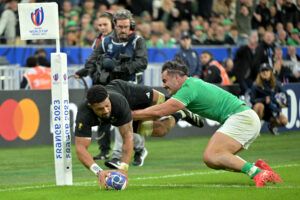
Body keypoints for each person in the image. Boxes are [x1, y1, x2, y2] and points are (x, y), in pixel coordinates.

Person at [132, 60, 282, 187]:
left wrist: (130, 115)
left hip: (241, 118)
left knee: (211, 155)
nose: (163, 85)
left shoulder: (188, 87)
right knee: (214, 160)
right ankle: (258, 169)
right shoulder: (192, 86)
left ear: (177, 77)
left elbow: (161, 111)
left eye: (164, 81)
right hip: (245, 118)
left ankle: (258, 173)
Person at [75, 79, 203, 180]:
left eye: (107, 106)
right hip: (121, 115)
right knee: (160, 130)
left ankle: (183, 108)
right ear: (91, 106)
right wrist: (99, 172)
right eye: (100, 109)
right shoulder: (84, 114)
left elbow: (127, 137)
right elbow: (81, 148)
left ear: (108, 98)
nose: (106, 110)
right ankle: (180, 114)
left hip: (129, 93)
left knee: (163, 103)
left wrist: (123, 169)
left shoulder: (117, 102)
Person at [76, 12, 115, 161]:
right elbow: (93, 61)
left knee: (127, 117)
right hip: (99, 83)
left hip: (115, 83)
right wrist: (83, 72)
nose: (102, 27)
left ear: (112, 24)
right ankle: (105, 151)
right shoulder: (97, 41)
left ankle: (137, 148)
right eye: (100, 25)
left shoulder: (117, 41)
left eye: (105, 24)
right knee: (103, 117)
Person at [250, 63, 289, 136]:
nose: (265, 72)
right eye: (262, 71)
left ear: (271, 72)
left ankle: (272, 126)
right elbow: (252, 100)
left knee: (284, 121)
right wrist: (263, 100)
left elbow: (286, 95)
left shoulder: (276, 84)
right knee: (259, 106)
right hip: (260, 111)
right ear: (260, 73)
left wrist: (285, 104)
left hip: (271, 111)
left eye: (267, 70)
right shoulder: (255, 85)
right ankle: (255, 130)